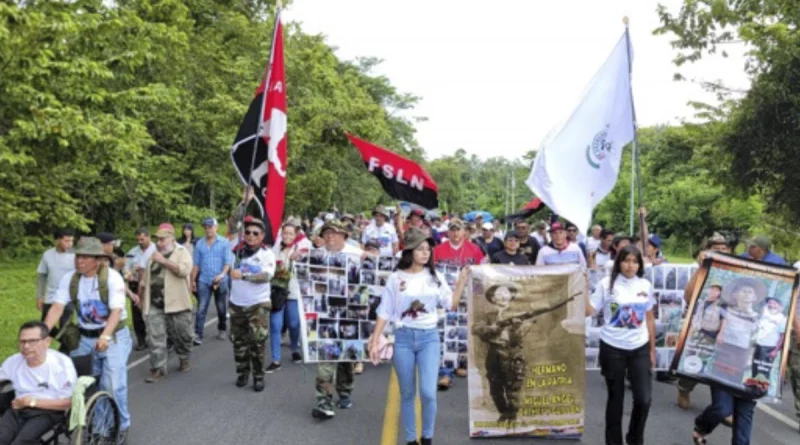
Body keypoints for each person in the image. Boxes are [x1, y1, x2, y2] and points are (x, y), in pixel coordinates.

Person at [44, 237, 133, 443]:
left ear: (99, 259)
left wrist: (105, 336)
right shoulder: (70, 279)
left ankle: (121, 424)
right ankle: (101, 422)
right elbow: (57, 307)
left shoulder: (111, 278)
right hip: (84, 337)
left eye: (85, 257)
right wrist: (43, 335)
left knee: (112, 384)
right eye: (78, 256)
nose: (79, 261)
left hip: (113, 337)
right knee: (83, 385)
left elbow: (116, 311)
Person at [369, 228, 452, 445]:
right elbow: (384, 311)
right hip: (403, 338)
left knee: (428, 393)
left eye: (428, 249)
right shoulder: (396, 278)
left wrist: (461, 281)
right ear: (410, 252)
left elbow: (449, 304)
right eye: (420, 249)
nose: (426, 253)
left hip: (429, 338)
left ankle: (427, 437)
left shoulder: (436, 277)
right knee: (407, 393)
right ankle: (410, 439)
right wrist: (374, 340)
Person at [587, 245, 655, 445]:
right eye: (626, 260)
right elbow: (589, 311)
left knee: (643, 399)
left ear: (639, 264)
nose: (630, 265)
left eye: (635, 261)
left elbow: (649, 318)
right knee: (615, 399)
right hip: (612, 347)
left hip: (639, 347)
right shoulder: (606, 284)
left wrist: (652, 349)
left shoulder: (645, 285)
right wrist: (582, 289)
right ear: (619, 262)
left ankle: (634, 439)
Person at [312, 220, 364, 419]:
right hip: (324, 315)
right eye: (326, 233)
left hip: (350, 315)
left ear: (344, 236)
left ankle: (344, 391)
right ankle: (324, 401)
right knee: (325, 358)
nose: (330, 237)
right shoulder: (315, 255)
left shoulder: (357, 255)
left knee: (346, 358)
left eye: (335, 233)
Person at [677, 233, 731, 410]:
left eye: (724, 248)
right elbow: (689, 295)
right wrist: (702, 267)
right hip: (703, 326)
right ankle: (684, 388)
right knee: (695, 360)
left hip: (725, 325)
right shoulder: (700, 267)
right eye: (717, 249)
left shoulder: (735, 270)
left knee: (722, 365)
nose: (722, 252)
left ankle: (721, 406)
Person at [0, 321, 77, 445]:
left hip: (48, 412)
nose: (26, 346)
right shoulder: (14, 361)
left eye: (32, 341)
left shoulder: (62, 364)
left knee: (20, 442)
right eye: (23, 341)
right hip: (18, 408)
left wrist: (32, 402)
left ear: (47, 342)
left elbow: (68, 402)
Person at [432, 218, 484, 390]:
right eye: (452, 230)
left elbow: (482, 273)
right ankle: (445, 372)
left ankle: (460, 363)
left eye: (458, 230)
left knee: (463, 333)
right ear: (448, 232)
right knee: (445, 333)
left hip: (466, 298)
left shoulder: (474, 250)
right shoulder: (438, 250)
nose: (455, 233)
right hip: (446, 298)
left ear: (464, 232)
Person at [139, 223, 194, 383]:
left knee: (182, 335)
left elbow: (184, 271)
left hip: (177, 304)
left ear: (171, 238)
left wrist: (164, 261)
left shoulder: (182, 253)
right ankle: (158, 368)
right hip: (156, 304)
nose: (159, 242)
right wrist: (142, 298)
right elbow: (145, 279)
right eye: (157, 239)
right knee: (155, 336)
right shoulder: (153, 256)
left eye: (162, 239)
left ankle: (184, 357)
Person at [226, 218, 276, 392]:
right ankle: (242, 372)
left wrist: (245, 276)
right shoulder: (235, 251)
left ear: (262, 236)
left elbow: (267, 276)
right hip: (237, 303)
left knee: (257, 342)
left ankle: (258, 376)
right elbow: (232, 222)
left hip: (258, 304)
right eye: (247, 232)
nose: (251, 236)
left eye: (255, 233)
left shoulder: (266, 253)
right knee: (239, 341)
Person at [269, 219, 311, 371]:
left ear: (295, 235)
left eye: (290, 233)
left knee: (294, 324)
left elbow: (312, 256)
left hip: (294, 293)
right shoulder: (275, 249)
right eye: (285, 233)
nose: (287, 236)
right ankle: (275, 360)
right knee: (275, 325)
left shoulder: (302, 247)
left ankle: (294, 349)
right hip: (276, 293)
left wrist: (300, 255)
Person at [191, 217, 234, 345]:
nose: (208, 229)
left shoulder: (224, 242)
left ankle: (222, 327)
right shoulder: (199, 244)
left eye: (210, 227)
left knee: (221, 307)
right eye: (206, 227)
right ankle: (198, 334)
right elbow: (196, 265)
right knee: (201, 307)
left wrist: (221, 275)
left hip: (220, 280)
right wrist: (192, 280)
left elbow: (228, 262)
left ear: (215, 227)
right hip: (204, 279)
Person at [35, 229, 75, 353]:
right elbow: (42, 276)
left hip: (68, 298)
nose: (70, 244)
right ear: (58, 240)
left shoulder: (75, 256)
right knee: (45, 326)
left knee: (65, 327)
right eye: (66, 240)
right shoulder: (47, 255)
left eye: (72, 241)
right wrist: (40, 295)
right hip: (51, 296)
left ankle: (66, 353)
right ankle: (71, 343)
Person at [123, 227, 156, 351]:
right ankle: (141, 340)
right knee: (137, 314)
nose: (140, 242)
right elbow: (125, 266)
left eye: (142, 239)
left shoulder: (156, 250)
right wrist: (129, 274)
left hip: (151, 285)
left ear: (148, 237)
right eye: (138, 239)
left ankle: (156, 338)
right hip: (135, 285)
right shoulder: (133, 251)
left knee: (152, 313)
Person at [751, 297, 786, 380]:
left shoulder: (782, 319)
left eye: (774, 303)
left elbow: (782, 336)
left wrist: (775, 350)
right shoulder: (764, 315)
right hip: (759, 345)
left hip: (769, 348)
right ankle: (752, 387)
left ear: (779, 306)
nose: (771, 305)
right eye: (769, 303)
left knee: (763, 370)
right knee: (755, 367)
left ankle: (761, 390)